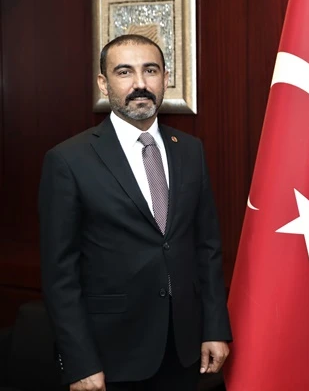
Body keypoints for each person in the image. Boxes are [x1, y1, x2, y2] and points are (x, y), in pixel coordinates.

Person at [38, 34, 232, 391]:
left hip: (184, 349)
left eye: (150, 71)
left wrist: (215, 327)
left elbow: (207, 248)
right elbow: (59, 274)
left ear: (165, 78)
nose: (140, 84)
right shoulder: (68, 160)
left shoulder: (190, 150)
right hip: (110, 356)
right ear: (104, 83)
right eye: (125, 72)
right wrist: (79, 361)